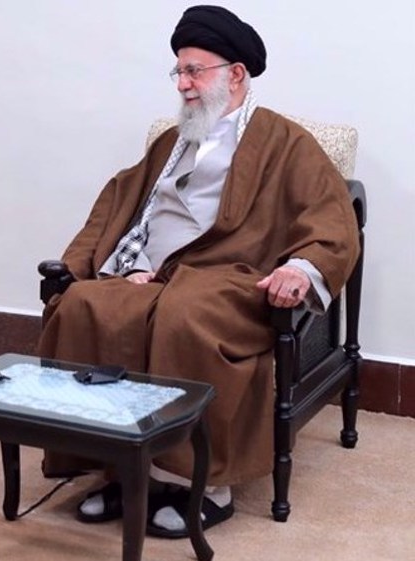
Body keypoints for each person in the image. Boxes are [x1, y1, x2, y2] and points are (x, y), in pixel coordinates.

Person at [36, 5, 359, 538]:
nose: (183, 84)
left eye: (194, 71)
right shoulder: (172, 141)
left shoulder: (286, 142)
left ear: (235, 74)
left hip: (228, 277)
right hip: (151, 274)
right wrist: (118, 265)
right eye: (178, 72)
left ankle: (204, 484)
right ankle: (119, 466)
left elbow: (333, 216)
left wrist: (302, 266)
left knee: (185, 316)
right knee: (84, 305)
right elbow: (121, 204)